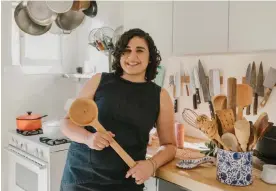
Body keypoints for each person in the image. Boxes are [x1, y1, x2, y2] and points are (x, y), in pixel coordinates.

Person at [60, 28, 177, 191]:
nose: (132, 57)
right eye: (126, 50)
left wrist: (151, 164)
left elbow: (170, 146)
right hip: (81, 179)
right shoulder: (99, 81)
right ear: (120, 55)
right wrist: (88, 138)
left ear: (150, 57)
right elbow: (67, 124)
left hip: (125, 182)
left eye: (140, 51)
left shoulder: (160, 96)